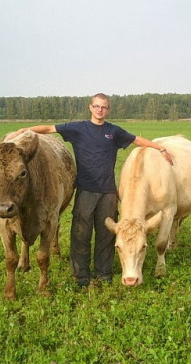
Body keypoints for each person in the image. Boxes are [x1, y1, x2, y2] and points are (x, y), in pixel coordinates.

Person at [9, 93, 173, 289]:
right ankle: (81, 276)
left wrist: (160, 148)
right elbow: (49, 129)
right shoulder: (78, 128)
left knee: (107, 235)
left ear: (108, 110)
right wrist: (24, 130)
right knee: (81, 233)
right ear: (90, 107)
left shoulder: (114, 131)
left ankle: (104, 273)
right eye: (96, 106)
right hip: (86, 191)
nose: (100, 110)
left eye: (103, 107)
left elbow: (137, 140)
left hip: (109, 193)